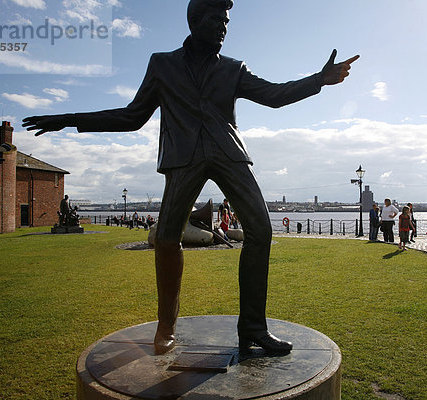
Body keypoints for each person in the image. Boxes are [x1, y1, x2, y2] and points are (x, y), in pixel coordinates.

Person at [22, 0, 359, 355]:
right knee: (167, 238)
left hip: (229, 155)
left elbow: (273, 96)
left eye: (227, 21)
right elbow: (133, 116)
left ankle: (253, 329)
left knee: (261, 230)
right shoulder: (162, 64)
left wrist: (319, 80)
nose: (223, 27)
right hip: (184, 159)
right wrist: (72, 118)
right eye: (217, 19)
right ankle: (166, 327)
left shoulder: (233, 69)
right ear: (195, 20)